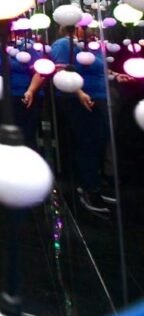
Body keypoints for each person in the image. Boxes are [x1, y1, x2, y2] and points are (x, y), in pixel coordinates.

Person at [50, 26, 126, 215]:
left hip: (99, 97)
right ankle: (88, 188)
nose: (90, 28)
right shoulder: (63, 45)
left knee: (99, 139)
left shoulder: (91, 47)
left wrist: (116, 76)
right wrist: (80, 92)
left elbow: (99, 70)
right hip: (79, 99)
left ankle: (93, 182)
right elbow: (61, 73)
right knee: (88, 141)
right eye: (85, 26)